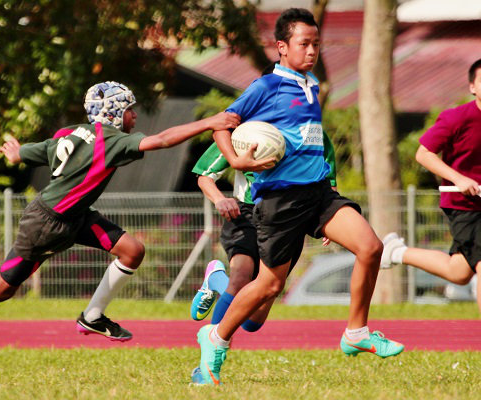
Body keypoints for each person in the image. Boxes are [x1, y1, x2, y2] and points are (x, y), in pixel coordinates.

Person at [0, 81, 240, 376]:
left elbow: (40, 150)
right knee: (1, 289)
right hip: (47, 224)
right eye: (130, 110)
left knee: (132, 250)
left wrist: (16, 155)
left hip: (75, 215)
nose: (135, 116)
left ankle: (92, 316)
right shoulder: (112, 140)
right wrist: (210, 122)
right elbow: (162, 140)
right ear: (114, 114)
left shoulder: (71, 131)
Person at [196, 8, 404, 385]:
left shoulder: (311, 86)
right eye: (304, 44)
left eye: (316, 44)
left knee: (371, 248)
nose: (312, 51)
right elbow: (222, 125)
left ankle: (356, 332)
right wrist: (234, 158)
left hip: (320, 194)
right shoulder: (266, 87)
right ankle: (216, 335)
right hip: (281, 202)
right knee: (269, 286)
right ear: (281, 47)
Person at [189, 128, 337, 384]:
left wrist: (330, 220)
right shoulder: (244, 129)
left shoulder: (313, 131)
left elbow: (329, 184)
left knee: (253, 321)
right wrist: (219, 200)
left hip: (289, 217)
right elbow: (204, 175)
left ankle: (215, 281)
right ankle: (207, 369)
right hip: (244, 212)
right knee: (241, 277)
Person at [381, 58, 481, 312]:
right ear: (472, 87)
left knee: (459, 271)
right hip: (465, 207)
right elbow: (424, 154)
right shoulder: (456, 118)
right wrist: (459, 178)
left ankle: (396, 252)